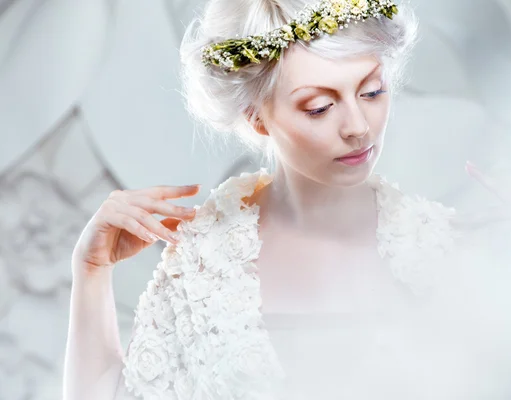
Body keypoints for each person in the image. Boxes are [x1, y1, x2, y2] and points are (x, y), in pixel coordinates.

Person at [63, 0, 489, 398]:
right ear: (257, 118)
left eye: (372, 91)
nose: (358, 126)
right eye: (320, 107)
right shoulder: (206, 264)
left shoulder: (445, 246)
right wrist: (91, 270)